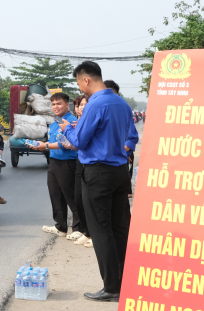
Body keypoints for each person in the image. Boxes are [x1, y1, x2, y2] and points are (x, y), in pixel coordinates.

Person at [61, 62, 134, 302]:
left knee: (100, 231)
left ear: (86, 80)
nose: (81, 89)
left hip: (98, 173)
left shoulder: (95, 104)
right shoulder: (121, 103)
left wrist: (68, 130)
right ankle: (126, 280)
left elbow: (80, 140)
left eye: (79, 84)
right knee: (119, 227)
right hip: (120, 171)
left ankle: (111, 287)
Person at [28, 93, 81, 239]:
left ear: (66, 104)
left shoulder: (71, 122)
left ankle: (79, 228)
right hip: (54, 162)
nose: (56, 107)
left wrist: (44, 146)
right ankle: (61, 226)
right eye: (53, 104)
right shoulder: (55, 122)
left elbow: (64, 145)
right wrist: (42, 145)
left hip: (67, 163)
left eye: (59, 104)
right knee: (55, 194)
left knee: (71, 196)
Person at [103, 80, 139, 197]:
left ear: (117, 95)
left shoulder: (124, 111)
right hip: (105, 163)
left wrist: (121, 153)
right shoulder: (100, 112)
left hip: (122, 158)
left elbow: (132, 138)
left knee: (122, 198)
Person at [72, 95, 92, 248]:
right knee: (79, 199)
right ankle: (86, 231)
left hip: (93, 164)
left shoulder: (91, 121)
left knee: (91, 202)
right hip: (80, 161)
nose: (82, 107)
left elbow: (80, 141)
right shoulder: (77, 123)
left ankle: (93, 234)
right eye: (80, 104)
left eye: (86, 104)